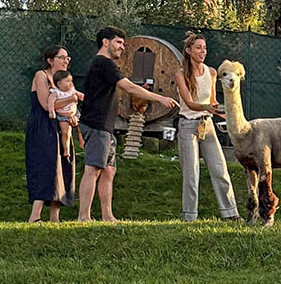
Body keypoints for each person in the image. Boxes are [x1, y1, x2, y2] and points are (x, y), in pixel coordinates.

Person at [78, 26, 178, 222]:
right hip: (96, 124)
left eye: (123, 43)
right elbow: (130, 87)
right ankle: (84, 216)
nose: (122, 47)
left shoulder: (105, 64)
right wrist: (159, 98)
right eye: (118, 42)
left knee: (109, 170)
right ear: (105, 42)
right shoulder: (103, 63)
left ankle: (108, 216)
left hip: (106, 126)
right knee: (93, 169)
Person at [174, 31, 241, 222]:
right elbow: (188, 103)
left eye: (204, 48)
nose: (203, 51)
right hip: (188, 125)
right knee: (191, 173)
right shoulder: (180, 75)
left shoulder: (211, 72)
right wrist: (207, 107)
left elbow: (212, 101)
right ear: (188, 51)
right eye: (198, 48)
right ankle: (190, 217)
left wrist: (228, 114)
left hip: (207, 125)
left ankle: (231, 213)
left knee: (220, 169)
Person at [25, 46, 76, 222]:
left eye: (67, 58)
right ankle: (35, 216)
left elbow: (72, 106)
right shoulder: (41, 75)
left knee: (63, 164)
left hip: (62, 126)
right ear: (50, 60)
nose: (66, 61)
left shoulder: (65, 80)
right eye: (62, 57)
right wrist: (71, 99)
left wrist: (73, 114)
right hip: (42, 126)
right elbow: (47, 105)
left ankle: (55, 218)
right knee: (45, 165)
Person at [48, 69, 84, 158]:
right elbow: (50, 102)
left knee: (82, 128)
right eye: (68, 81)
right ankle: (66, 150)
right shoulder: (56, 92)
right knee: (66, 132)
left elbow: (78, 94)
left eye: (71, 80)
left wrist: (82, 97)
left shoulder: (71, 89)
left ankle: (82, 142)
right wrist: (51, 111)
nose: (71, 83)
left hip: (74, 113)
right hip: (62, 116)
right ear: (59, 83)